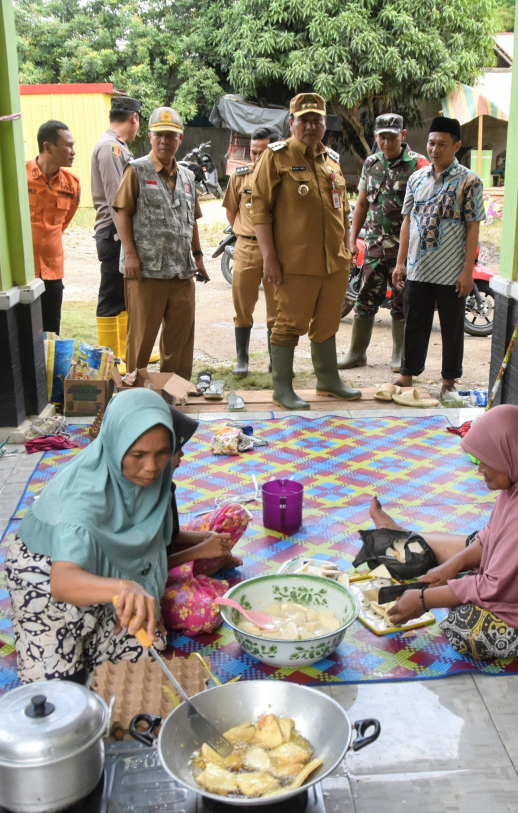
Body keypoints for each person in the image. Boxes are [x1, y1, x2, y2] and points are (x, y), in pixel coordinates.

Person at [380, 406, 518, 664]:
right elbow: (489, 536)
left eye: (487, 459)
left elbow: (495, 586)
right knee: (472, 547)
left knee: (464, 626)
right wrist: (454, 565)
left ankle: (411, 542)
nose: (479, 469)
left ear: (512, 452)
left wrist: (423, 600)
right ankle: (407, 539)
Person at [5, 388, 174, 683]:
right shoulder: (84, 496)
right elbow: (63, 581)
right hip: (48, 575)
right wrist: (125, 588)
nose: (151, 467)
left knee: (146, 660)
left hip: (106, 571)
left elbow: (146, 545)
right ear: (114, 444)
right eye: (138, 455)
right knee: (61, 690)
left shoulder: (154, 477)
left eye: (162, 452)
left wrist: (145, 595)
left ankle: (96, 628)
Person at [250, 92, 360, 410]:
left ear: (325, 124)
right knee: (288, 324)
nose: (311, 125)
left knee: (327, 323)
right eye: (304, 120)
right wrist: (269, 258)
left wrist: (349, 245)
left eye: (317, 120)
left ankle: (327, 380)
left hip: (334, 262)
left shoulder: (332, 160)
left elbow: (344, 210)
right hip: (294, 263)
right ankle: (282, 388)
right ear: (292, 122)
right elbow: (260, 212)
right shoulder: (276, 157)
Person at [391, 116, 485, 402]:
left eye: (442, 144)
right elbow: (407, 221)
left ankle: (448, 381)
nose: (434, 149)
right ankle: (407, 375)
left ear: (456, 146)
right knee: (414, 322)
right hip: (418, 267)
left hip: (451, 271)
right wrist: (400, 262)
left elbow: (473, 226)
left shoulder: (469, 181)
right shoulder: (417, 178)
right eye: (431, 143)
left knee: (452, 326)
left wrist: (467, 271)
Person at [114, 106, 207, 381]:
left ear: (180, 139)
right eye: (159, 135)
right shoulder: (137, 170)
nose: (164, 141)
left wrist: (198, 257)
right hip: (146, 272)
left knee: (179, 341)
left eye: (171, 135)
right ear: (151, 136)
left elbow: (192, 221)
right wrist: (130, 255)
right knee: (141, 340)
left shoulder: (189, 177)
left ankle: (175, 393)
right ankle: (135, 395)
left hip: (181, 272)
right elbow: (122, 212)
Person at [339, 113, 428, 372]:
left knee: (402, 302)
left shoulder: (418, 165)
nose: (386, 142)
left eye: (392, 136)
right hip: (375, 248)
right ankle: (357, 353)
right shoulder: (372, 163)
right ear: (376, 137)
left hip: (406, 251)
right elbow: (363, 203)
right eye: (382, 136)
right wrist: (353, 239)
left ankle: (400, 355)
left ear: (403, 135)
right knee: (365, 299)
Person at [161, 407, 248, 633]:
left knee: (235, 514)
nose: (182, 456)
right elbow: (142, 568)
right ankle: (195, 579)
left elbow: (171, 535)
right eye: (176, 450)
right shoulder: (133, 496)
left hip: (168, 556)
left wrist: (207, 539)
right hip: (152, 576)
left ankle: (196, 574)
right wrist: (199, 552)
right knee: (208, 614)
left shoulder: (163, 483)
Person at [90, 94, 143, 368]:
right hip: (113, 229)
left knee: (123, 294)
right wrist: (127, 238)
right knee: (111, 292)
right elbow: (116, 200)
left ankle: (122, 351)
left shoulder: (118, 147)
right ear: (134, 118)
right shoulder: (110, 148)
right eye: (139, 121)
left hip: (117, 230)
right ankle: (110, 358)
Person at [223, 125, 275, 376]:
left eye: (261, 152)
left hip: (277, 249)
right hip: (246, 245)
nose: (255, 158)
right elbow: (231, 210)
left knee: (278, 306)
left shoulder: (283, 176)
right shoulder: (240, 176)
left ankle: (276, 360)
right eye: (253, 152)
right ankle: (242, 360)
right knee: (242, 304)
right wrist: (243, 231)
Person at [27, 119, 80, 335]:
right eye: (67, 145)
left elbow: (63, 224)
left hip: (53, 272)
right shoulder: (19, 176)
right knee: (24, 331)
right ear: (48, 147)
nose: (73, 151)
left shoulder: (72, 184)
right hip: (24, 272)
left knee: (50, 335)